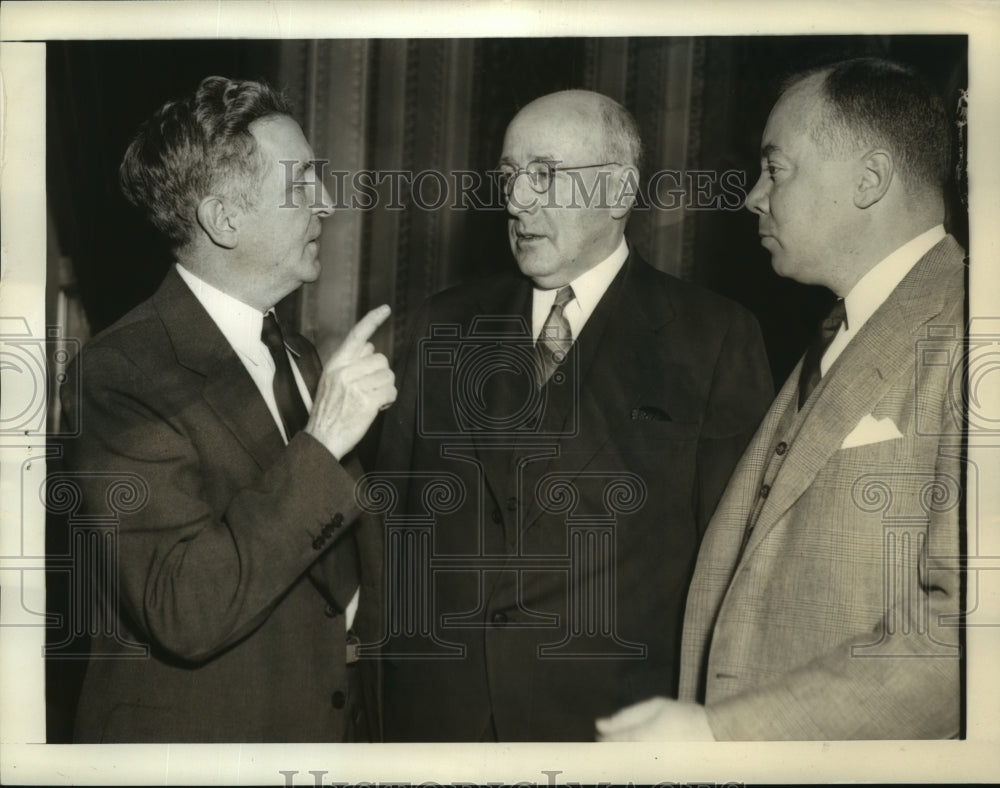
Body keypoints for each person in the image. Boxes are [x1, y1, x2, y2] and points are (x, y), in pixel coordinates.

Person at [375, 89, 773, 741]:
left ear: (619, 191)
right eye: (509, 175)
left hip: (612, 731)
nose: (516, 200)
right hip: (440, 726)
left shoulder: (713, 338)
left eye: (544, 175)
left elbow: (734, 569)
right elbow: (388, 529)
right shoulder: (439, 325)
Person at [597, 58, 966, 741]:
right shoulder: (836, 333)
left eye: (776, 169)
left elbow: (970, 633)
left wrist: (723, 734)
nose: (752, 196)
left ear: (870, 179)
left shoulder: (976, 330)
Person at [59, 76, 396, 742]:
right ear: (224, 219)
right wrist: (324, 441)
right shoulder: (119, 374)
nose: (326, 203)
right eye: (301, 184)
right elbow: (184, 608)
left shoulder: (297, 354)